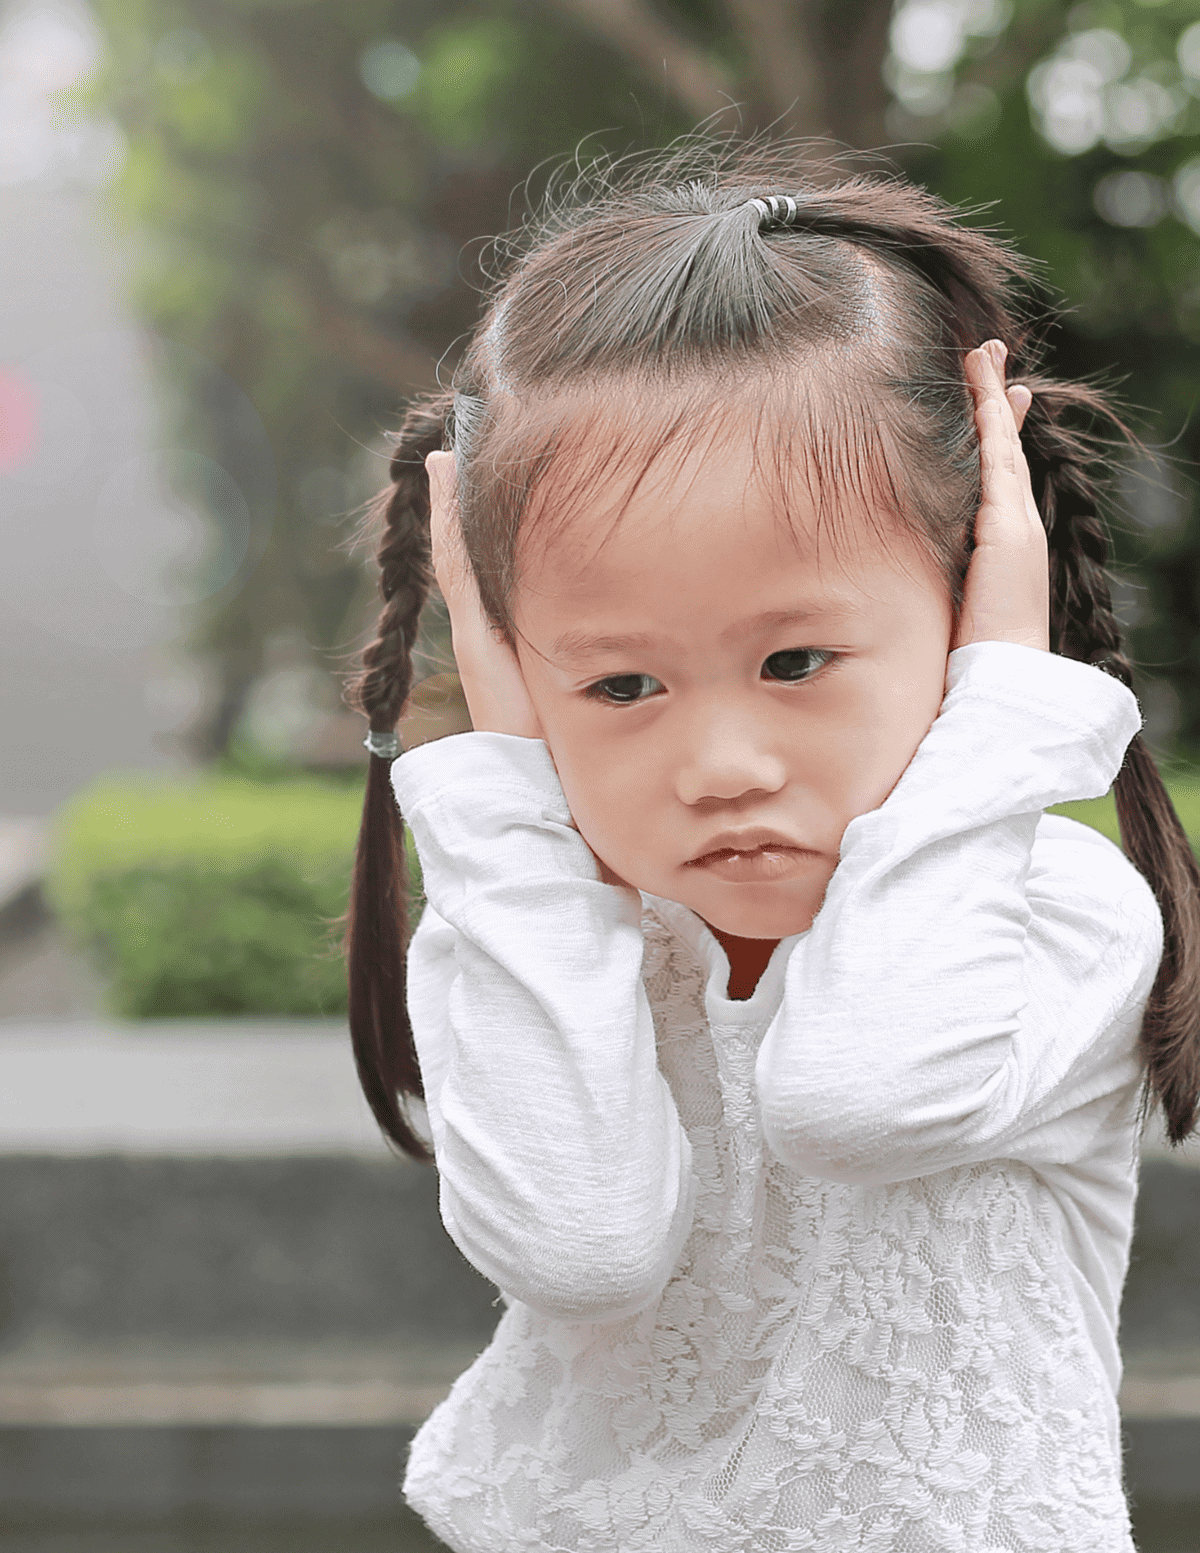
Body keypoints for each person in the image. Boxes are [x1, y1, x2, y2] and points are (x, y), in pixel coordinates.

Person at [344, 143, 1200, 1552]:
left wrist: (1010, 709)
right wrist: (502, 798)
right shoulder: (536, 929)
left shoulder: (1053, 909)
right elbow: (582, 1246)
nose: (722, 766)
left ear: (979, 589)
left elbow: (857, 1103)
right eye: (620, 684)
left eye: (798, 659)